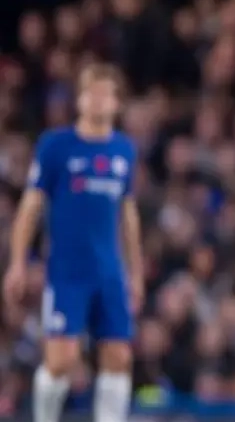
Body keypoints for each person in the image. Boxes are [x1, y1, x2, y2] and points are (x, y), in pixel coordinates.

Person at [4, 63, 144, 422]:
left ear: (117, 103)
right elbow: (30, 207)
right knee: (61, 359)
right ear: (79, 99)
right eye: (90, 92)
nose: (97, 100)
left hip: (109, 271)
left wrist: (135, 272)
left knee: (119, 356)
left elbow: (128, 215)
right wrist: (18, 262)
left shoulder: (124, 151)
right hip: (68, 271)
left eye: (105, 93)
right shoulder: (56, 146)